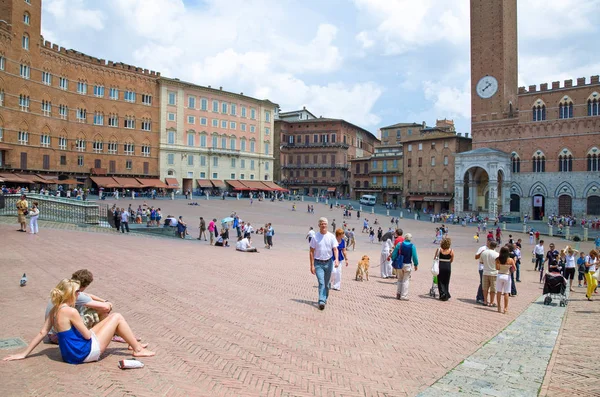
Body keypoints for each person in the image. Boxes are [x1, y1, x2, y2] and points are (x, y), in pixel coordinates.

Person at [4, 279, 154, 364]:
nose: (79, 294)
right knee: (117, 317)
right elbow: (88, 336)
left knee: (110, 320)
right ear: (70, 294)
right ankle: (138, 349)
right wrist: (95, 328)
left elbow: (42, 332)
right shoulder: (71, 311)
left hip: (69, 354)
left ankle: (134, 344)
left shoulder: (55, 310)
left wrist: (24, 354)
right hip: (83, 353)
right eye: (77, 292)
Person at [309, 217, 339, 310]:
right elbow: (311, 251)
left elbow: (335, 249)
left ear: (327, 225)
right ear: (319, 225)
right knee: (321, 282)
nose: (323, 225)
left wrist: (336, 259)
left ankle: (325, 297)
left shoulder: (331, 236)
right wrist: (312, 265)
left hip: (328, 262)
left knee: (326, 284)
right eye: (322, 223)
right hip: (318, 263)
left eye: (325, 224)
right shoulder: (315, 237)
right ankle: (321, 300)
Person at [390, 233, 419, 300]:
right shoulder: (412, 246)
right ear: (410, 239)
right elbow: (415, 257)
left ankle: (398, 293)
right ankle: (403, 296)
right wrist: (416, 264)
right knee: (406, 280)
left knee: (400, 279)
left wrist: (393, 259)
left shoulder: (399, 244)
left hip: (400, 264)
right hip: (407, 264)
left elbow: (394, 253)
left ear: (405, 238)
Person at [495, 247, 515, 314]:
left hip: (500, 275)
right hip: (507, 276)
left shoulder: (498, 259)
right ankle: (505, 308)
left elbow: (497, 268)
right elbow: (514, 269)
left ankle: (499, 307)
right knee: (506, 293)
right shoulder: (510, 260)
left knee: (499, 291)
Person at [480, 240, 500, 307]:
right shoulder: (497, 254)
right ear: (495, 246)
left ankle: (485, 301)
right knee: (493, 288)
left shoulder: (484, 253)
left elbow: (481, 262)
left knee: (485, 288)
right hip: (494, 273)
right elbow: (498, 264)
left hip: (485, 271)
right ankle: (491, 302)